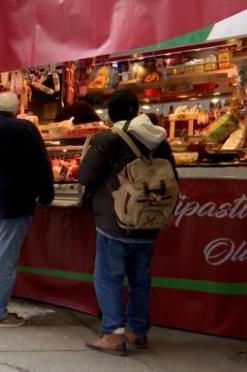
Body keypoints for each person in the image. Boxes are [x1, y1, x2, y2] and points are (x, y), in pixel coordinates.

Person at [78, 89, 177, 355]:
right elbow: (172, 176)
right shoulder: (159, 140)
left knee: (108, 278)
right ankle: (137, 330)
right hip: (149, 219)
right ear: (136, 110)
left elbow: (86, 176)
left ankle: (113, 333)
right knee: (140, 278)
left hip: (115, 221)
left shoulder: (108, 138)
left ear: (110, 113)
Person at [0, 92, 54, 327]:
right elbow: (41, 163)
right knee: (5, 258)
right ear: (17, 110)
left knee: (2, 254)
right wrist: (46, 194)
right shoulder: (24, 129)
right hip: (16, 200)